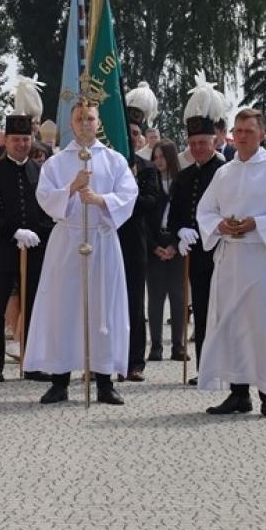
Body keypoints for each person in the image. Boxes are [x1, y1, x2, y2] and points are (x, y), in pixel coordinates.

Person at [23, 99, 138, 405]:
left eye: (90, 118)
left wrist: (101, 200)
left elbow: (128, 195)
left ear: (98, 122)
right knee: (64, 309)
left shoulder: (114, 160)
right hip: (68, 242)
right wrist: (71, 188)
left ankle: (104, 381)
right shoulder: (57, 163)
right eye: (79, 118)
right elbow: (45, 197)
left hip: (101, 239)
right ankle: (60, 380)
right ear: (70, 123)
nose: (85, 123)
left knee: (103, 310)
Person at [197, 108, 266, 420]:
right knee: (231, 324)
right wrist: (221, 226)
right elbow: (206, 211)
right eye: (239, 131)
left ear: (263, 135)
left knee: (264, 325)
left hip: (260, 260)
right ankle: (238, 392)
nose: (242, 137)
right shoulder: (224, 172)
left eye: (249, 131)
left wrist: (256, 224)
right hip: (230, 259)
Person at [0, 115, 54, 383]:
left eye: (25, 139)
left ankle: (32, 362)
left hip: (34, 249)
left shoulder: (42, 172)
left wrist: (38, 233)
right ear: (6, 141)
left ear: (31, 140)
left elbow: (50, 210)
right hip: (1, 250)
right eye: (15, 139)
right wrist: (13, 233)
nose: (21, 144)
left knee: (35, 306)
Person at [167, 115, 222, 384]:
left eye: (203, 142)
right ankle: (206, 370)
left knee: (223, 314)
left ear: (214, 141)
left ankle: (228, 371)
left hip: (223, 255)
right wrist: (180, 232)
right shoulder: (184, 176)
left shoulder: (225, 173)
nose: (198, 148)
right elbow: (175, 215)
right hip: (196, 256)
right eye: (193, 143)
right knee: (200, 313)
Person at [118, 113, 161, 382]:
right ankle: (109, 359)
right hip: (109, 240)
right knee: (109, 303)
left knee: (135, 303)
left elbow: (151, 201)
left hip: (135, 241)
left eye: (136, 134)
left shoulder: (147, 168)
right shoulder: (109, 164)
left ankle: (135, 362)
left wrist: (125, 195)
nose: (132, 138)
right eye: (128, 133)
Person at [146, 140, 186, 362]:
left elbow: (185, 216)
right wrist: (154, 247)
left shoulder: (181, 182)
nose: (158, 161)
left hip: (176, 243)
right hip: (155, 244)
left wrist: (173, 245)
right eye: (155, 157)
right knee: (155, 297)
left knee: (178, 297)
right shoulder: (150, 181)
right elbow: (144, 218)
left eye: (162, 156)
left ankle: (178, 345)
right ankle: (156, 346)